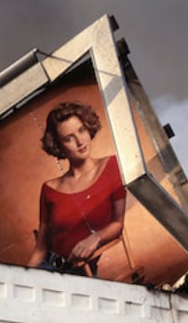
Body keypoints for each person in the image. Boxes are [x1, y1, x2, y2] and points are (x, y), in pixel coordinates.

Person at [25, 101, 128, 277]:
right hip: (47, 269)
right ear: (59, 145)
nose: (80, 141)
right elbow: (40, 249)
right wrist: (19, 279)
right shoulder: (50, 188)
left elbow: (117, 224)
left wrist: (95, 238)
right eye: (68, 138)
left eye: (81, 130)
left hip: (79, 272)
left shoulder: (111, 166)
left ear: (89, 128)